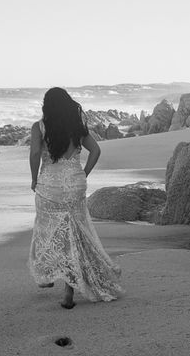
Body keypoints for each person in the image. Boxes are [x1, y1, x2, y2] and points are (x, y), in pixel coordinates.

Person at [28, 87, 123, 309]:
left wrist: (34, 179)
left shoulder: (39, 127)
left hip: (50, 185)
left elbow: (34, 154)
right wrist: (83, 173)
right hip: (75, 183)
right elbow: (96, 151)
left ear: (47, 106)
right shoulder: (76, 127)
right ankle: (68, 292)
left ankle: (48, 273)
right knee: (76, 235)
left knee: (47, 231)